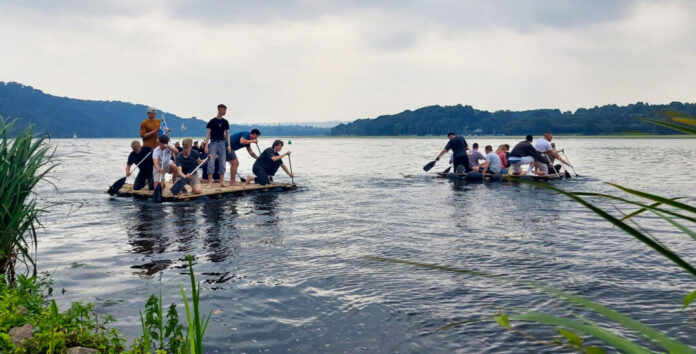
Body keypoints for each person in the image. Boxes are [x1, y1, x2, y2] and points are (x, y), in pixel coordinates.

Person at [204, 104, 231, 187]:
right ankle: (210, 183)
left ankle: (222, 182)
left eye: (225, 110)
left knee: (222, 162)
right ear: (219, 110)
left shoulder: (225, 122)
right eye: (223, 110)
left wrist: (229, 145)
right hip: (213, 143)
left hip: (222, 143)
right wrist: (206, 146)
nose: (225, 112)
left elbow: (227, 134)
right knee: (211, 162)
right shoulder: (212, 121)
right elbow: (208, 134)